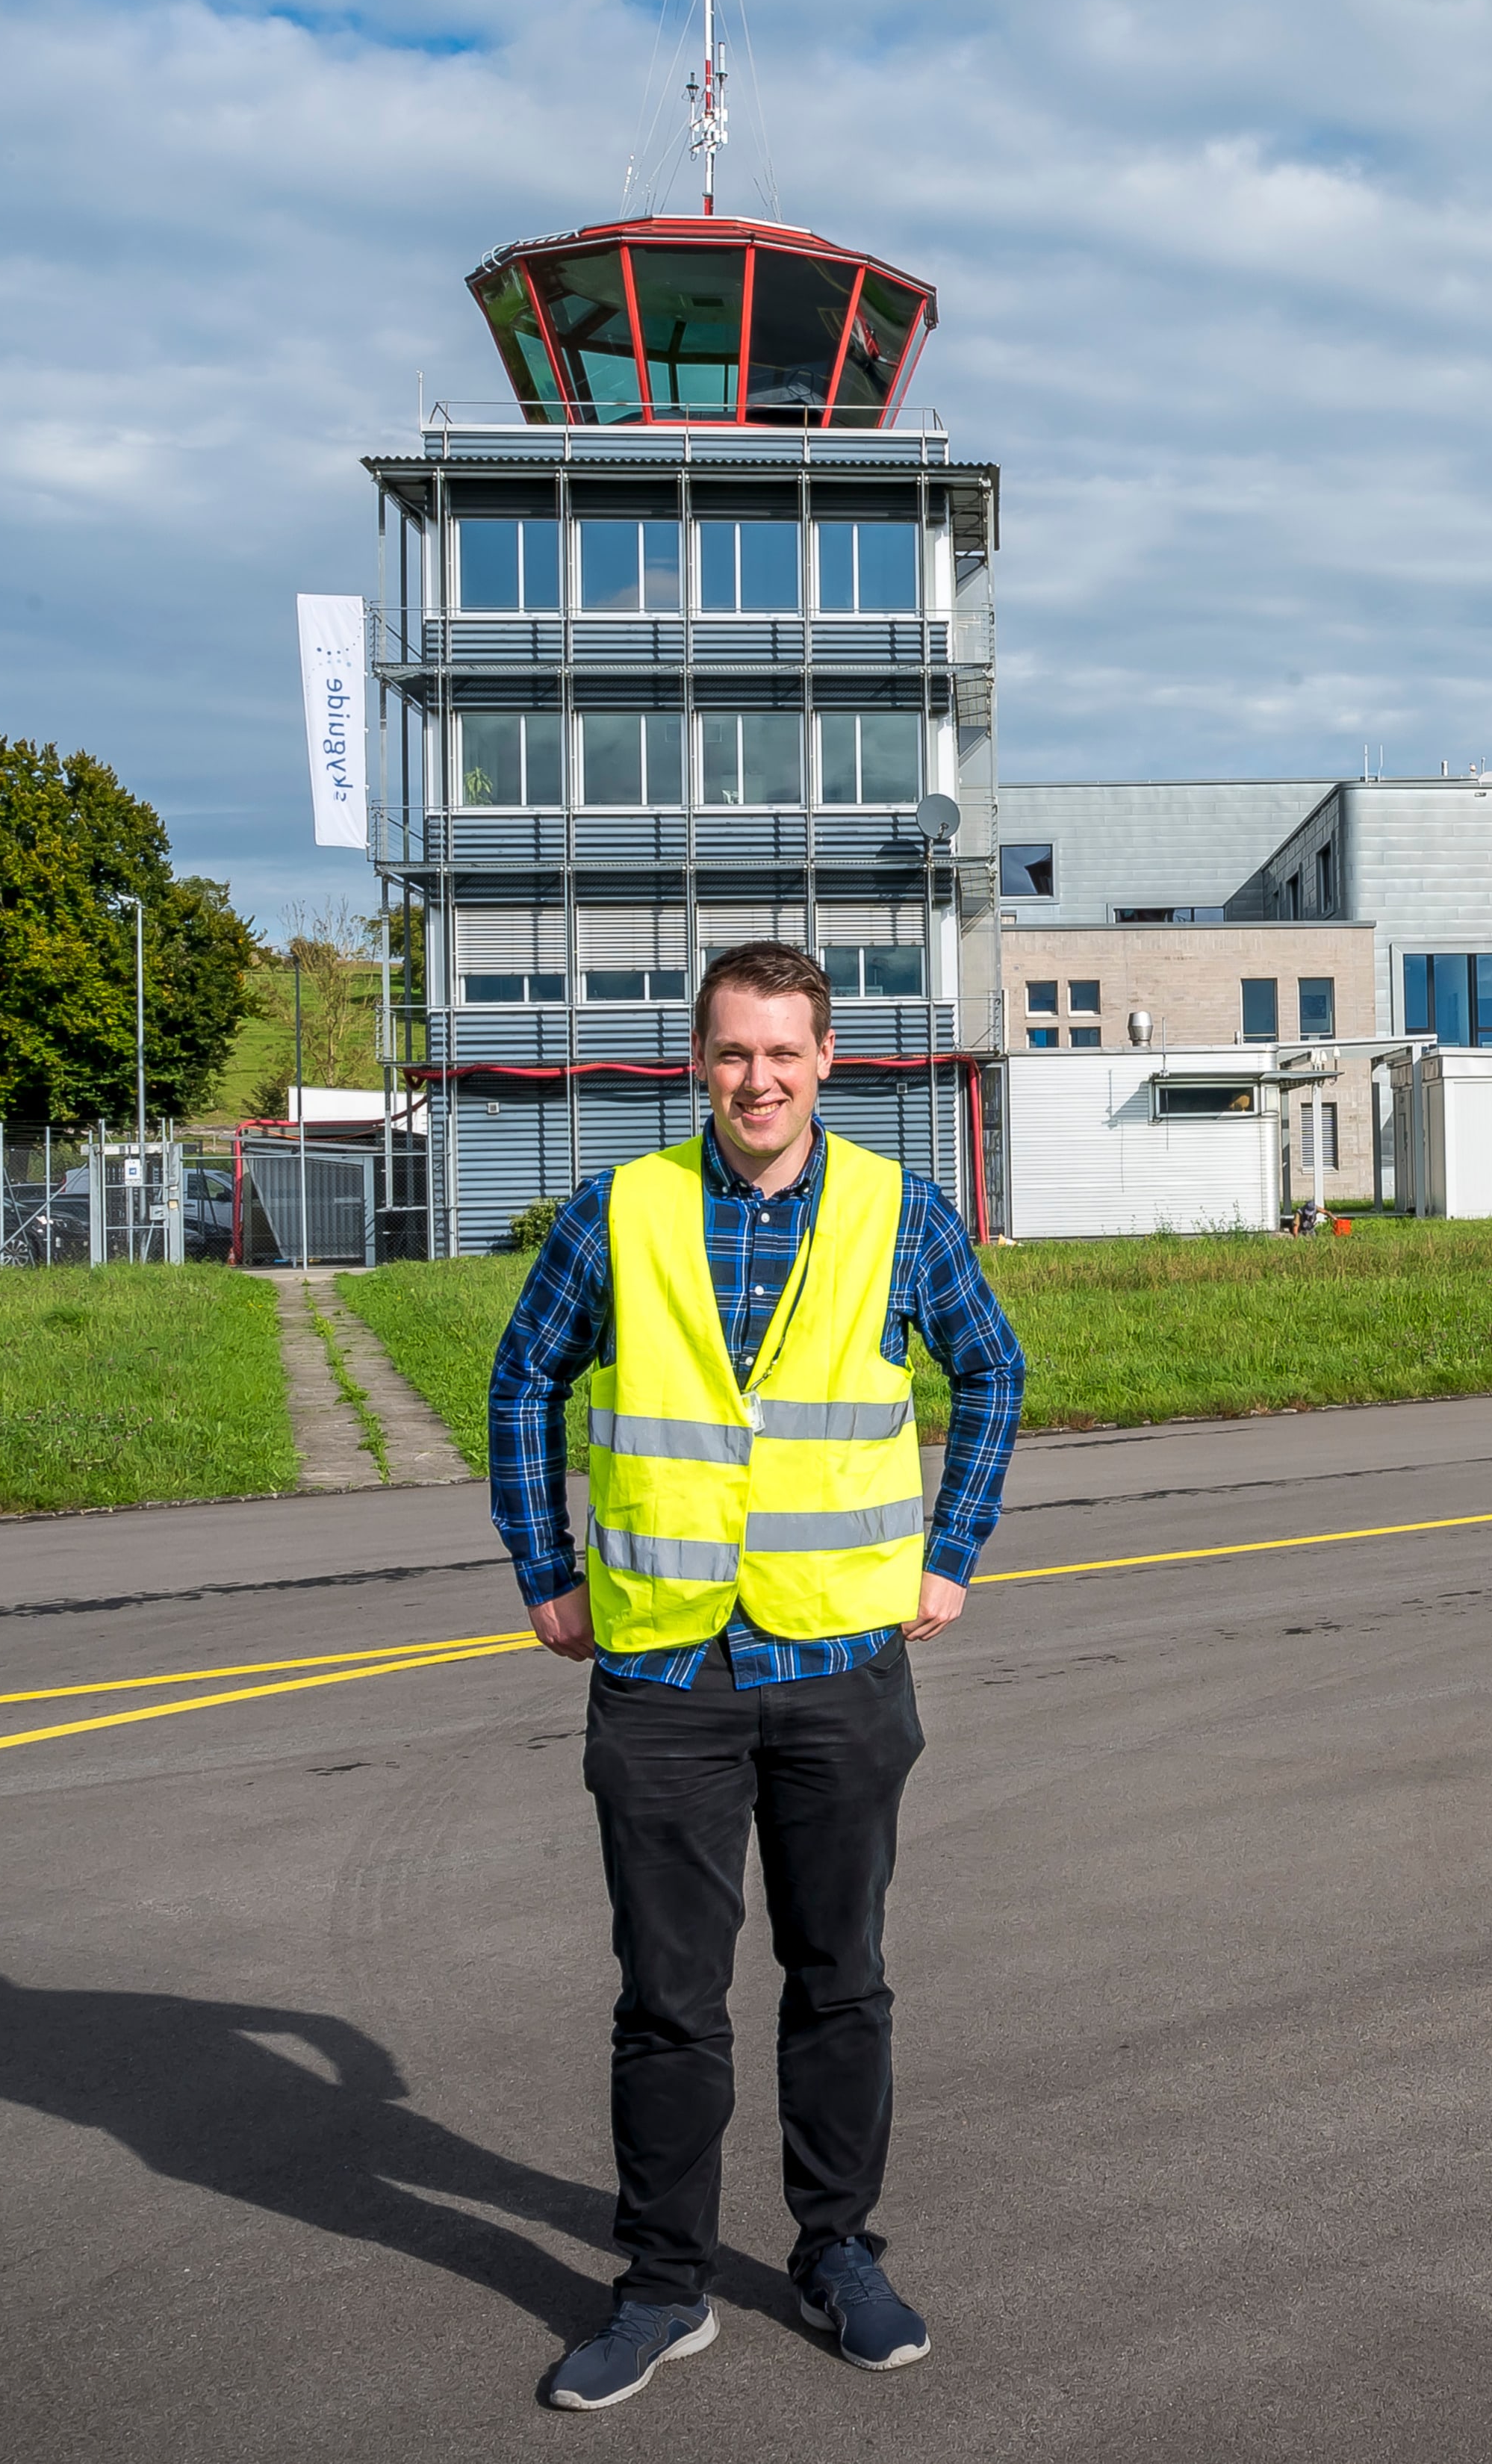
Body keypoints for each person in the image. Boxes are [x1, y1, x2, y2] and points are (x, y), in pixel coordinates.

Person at [486, 939, 1026, 2414]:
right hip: (663, 1673)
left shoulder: (901, 1213)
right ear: (697, 1061)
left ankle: (835, 2250)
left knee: (838, 1981)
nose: (758, 1079)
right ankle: (663, 2287)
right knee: (666, 2002)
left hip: (842, 1661)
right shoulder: (620, 1211)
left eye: (783, 1052)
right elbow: (522, 1375)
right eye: (732, 1052)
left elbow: (993, 1369)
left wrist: (951, 1547)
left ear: (826, 1059)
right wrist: (545, 1565)